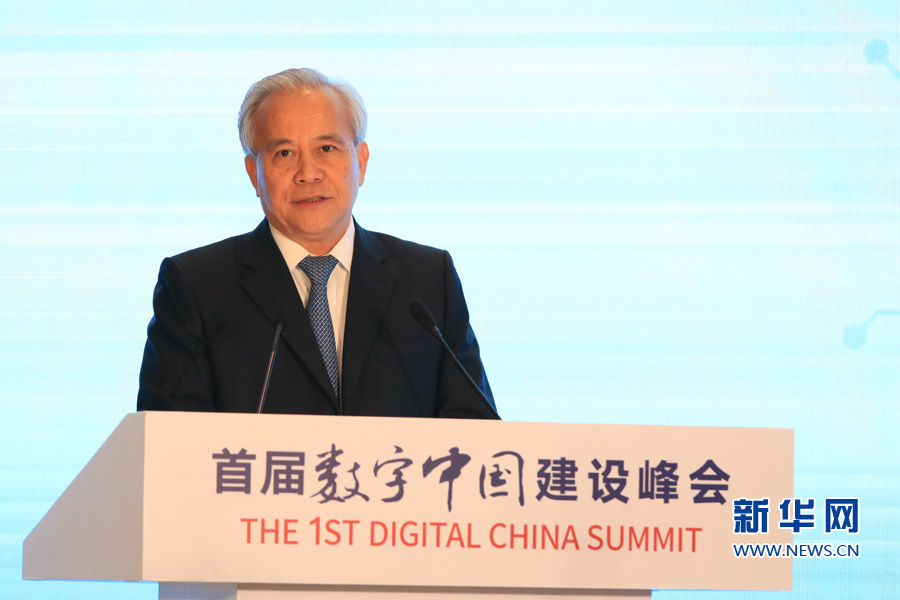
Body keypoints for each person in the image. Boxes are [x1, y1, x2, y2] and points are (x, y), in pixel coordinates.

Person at [136, 68, 498, 419]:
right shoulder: (196, 287)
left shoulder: (428, 281)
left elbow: (477, 434)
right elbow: (167, 444)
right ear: (254, 174)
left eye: (326, 148)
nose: (308, 173)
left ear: (360, 161)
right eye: (284, 153)